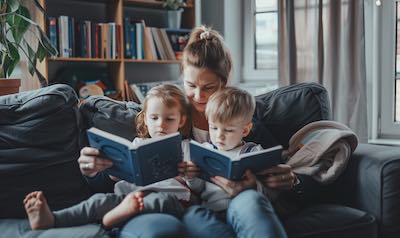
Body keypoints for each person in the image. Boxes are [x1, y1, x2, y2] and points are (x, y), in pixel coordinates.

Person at [24, 84, 191, 236]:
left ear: (181, 120)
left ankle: (114, 218)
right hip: (128, 198)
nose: (161, 125)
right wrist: (116, 169)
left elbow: (195, 180)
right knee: (99, 201)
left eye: (169, 119)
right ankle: (52, 219)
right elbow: (118, 175)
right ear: (146, 120)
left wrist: (184, 174)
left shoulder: (184, 147)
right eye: (154, 118)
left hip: (170, 198)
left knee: (160, 201)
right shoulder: (138, 144)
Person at [179, 26, 293, 238]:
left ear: (224, 82)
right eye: (190, 85)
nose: (198, 95)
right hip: (200, 204)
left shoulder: (245, 118)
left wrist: (266, 183)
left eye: (209, 87)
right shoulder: (173, 116)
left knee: (252, 202)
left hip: (243, 199)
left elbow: (277, 165)